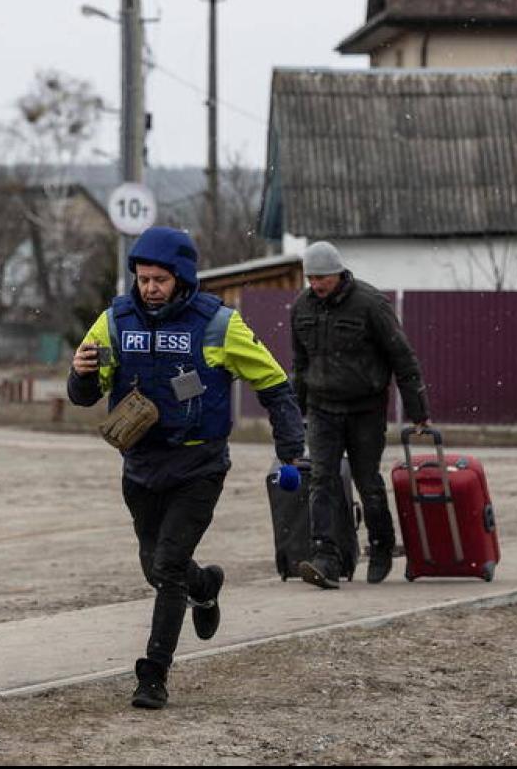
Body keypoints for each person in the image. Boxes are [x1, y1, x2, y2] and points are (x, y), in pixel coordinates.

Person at [68, 226, 304, 710]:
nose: (149, 288)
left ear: (183, 278)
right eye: (142, 278)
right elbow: (85, 394)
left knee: (168, 565)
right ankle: (206, 586)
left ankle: (153, 674)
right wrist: (81, 373)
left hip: (199, 465)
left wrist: (291, 449)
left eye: (159, 279)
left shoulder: (219, 324)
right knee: (156, 569)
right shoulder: (114, 320)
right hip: (140, 465)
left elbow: (275, 385)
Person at [290, 241, 429, 590]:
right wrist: (293, 415)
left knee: (367, 482)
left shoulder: (370, 303)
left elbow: (402, 357)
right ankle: (326, 556)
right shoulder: (302, 308)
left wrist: (418, 412)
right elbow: (300, 365)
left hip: (365, 409)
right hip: (322, 408)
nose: (316, 284)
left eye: (322, 277)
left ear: (338, 273)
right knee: (322, 479)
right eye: (311, 278)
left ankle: (381, 545)